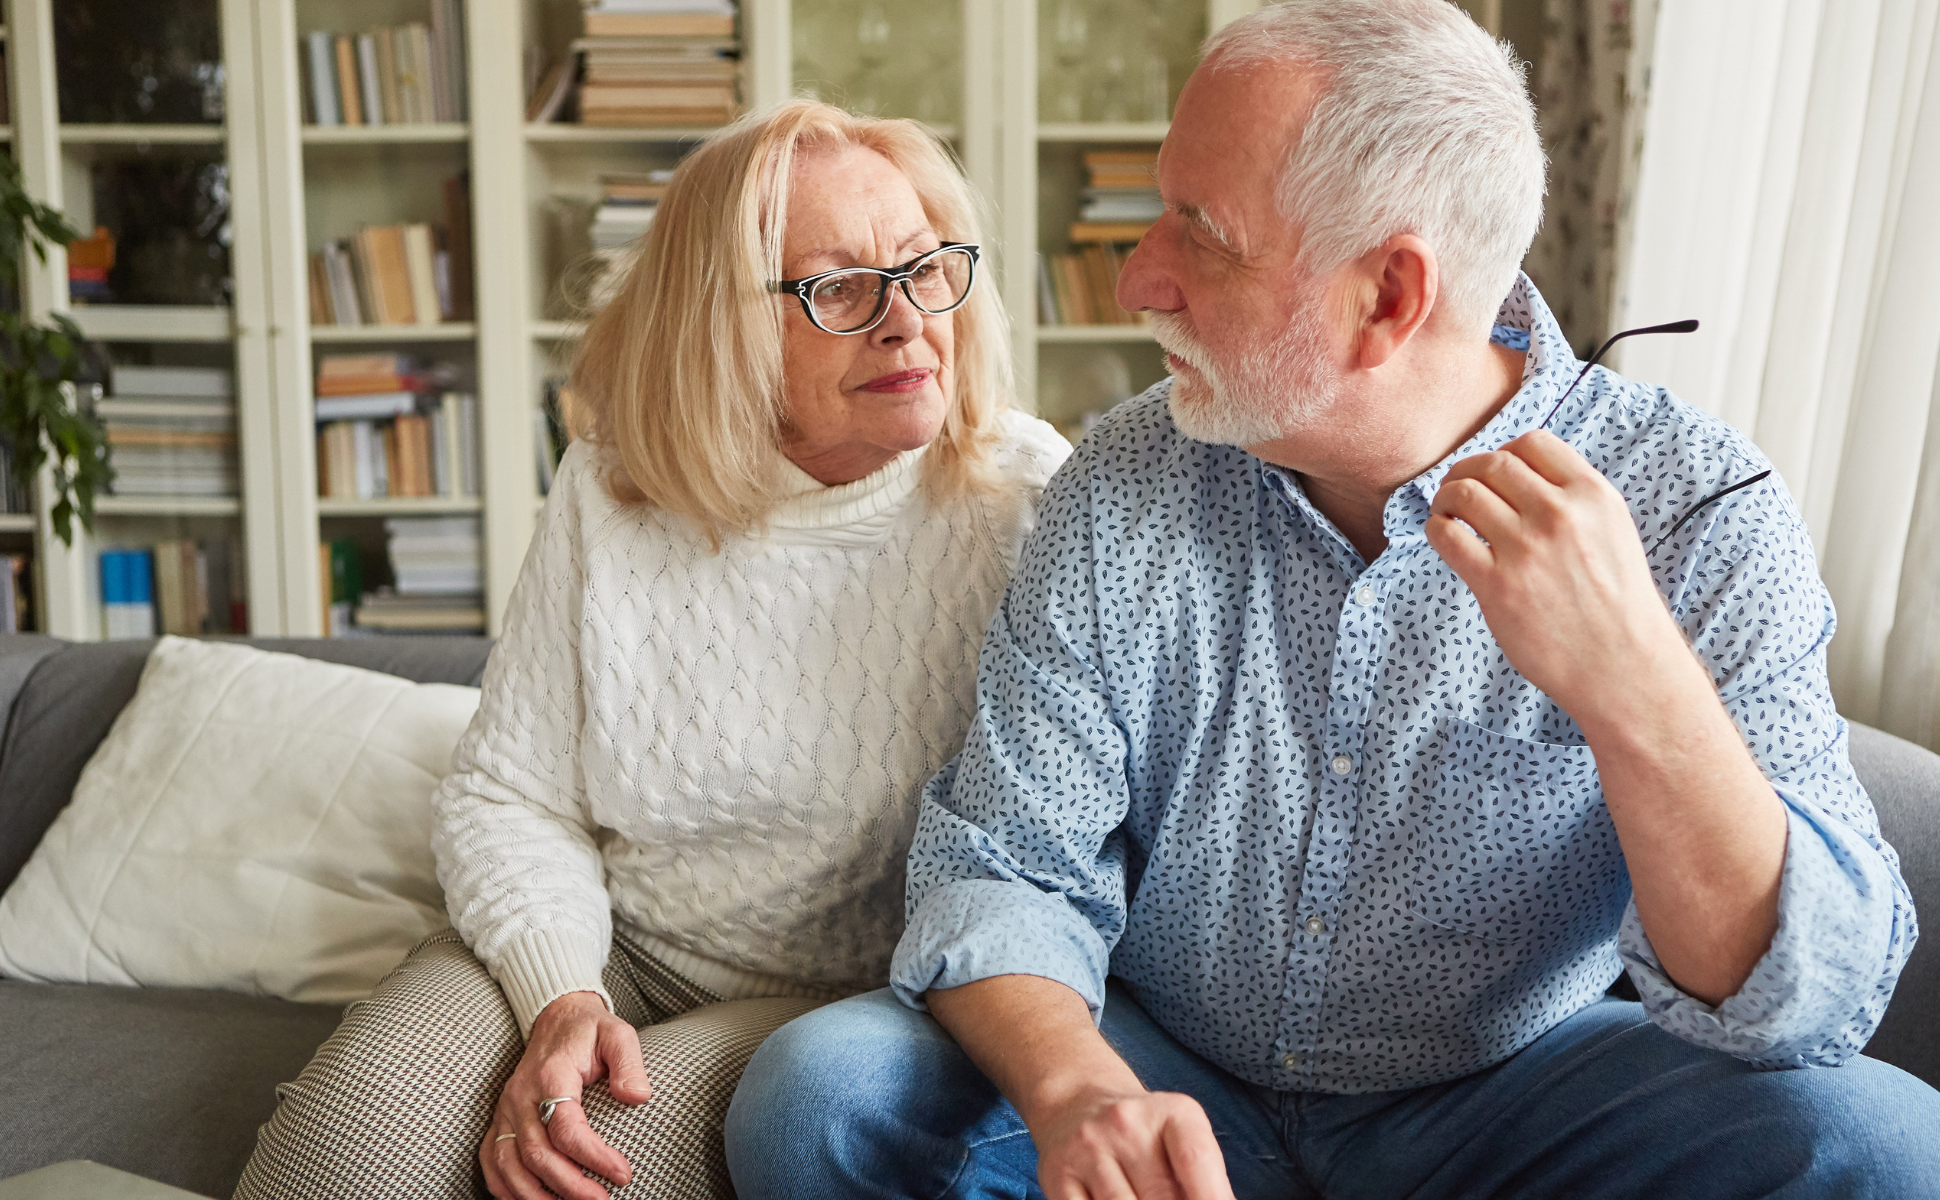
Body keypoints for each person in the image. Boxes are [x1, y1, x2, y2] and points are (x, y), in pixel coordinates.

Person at [724, 4, 1940, 1198]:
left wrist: (1634, 687)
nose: (1138, 278)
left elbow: (1809, 1003)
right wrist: (1075, 1093)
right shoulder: (1124, 481)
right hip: (1168, 1063)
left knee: (1886, 1149)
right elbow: (1006, 867)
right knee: (821, 1099)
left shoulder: (1692, 505)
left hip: (1521, 1089)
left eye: (1198, 234)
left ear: (1387, 297)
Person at [234, 99, 1070, 1200]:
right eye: (837, 288)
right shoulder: (613, 486)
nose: (907, 321)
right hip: (615, 944)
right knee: (341, 1160)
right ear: (719, 321)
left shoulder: (1026, 497)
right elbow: (510, 794)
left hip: (848, 1000)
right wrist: (560, 998)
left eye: (925, 269)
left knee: (571, 1175)